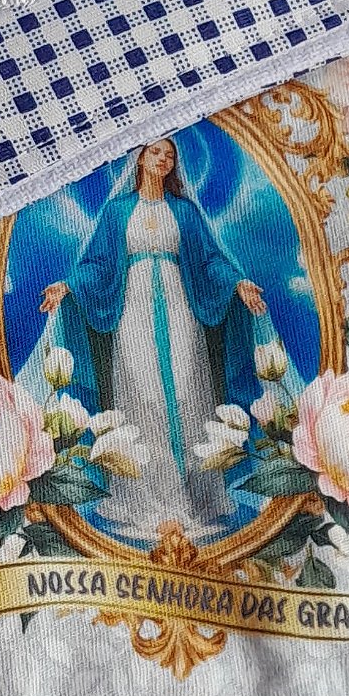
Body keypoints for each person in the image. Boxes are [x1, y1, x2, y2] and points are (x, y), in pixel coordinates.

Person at [39, 138, 269, 539]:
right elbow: (97, 264)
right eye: (156, 152)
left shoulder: (184, 211)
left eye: (170, 155)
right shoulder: (117, 212)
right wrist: (68, 286)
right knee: (142, 393)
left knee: (185, 391)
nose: (163, 159)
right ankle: (143, 500)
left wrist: (238, 283)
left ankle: (194, 499)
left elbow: (210, 260)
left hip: (181, 312)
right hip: (133, 313)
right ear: (140, 157)